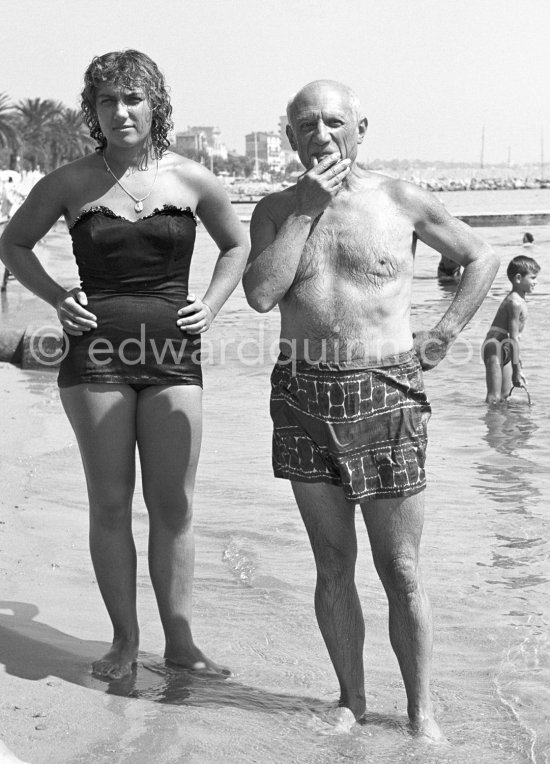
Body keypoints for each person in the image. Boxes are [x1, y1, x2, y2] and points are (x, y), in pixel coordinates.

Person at [243, 79, 499, 739]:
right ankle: (351, 701)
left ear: (361, 128)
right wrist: (307, 206)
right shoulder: (274, 209)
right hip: (301, 393)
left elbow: (480, 256)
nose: (320, 135)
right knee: (332, 562)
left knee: (401, 566)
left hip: (386, 393)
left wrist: (442, 336)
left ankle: (422, 714)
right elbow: (263, 295)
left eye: (333, 121)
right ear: (290, 134)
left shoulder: (399, 200)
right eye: (305, 124)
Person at [0, 50, 248, 679]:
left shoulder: (192, 178)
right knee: (110, 503)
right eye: (107, 100)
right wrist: (58, 297)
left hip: (174, 354)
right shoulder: (70, 181)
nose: (120, 111)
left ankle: (182, 644)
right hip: (97, 356)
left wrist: (213, 307)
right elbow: (12, 242)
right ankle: (124, 642)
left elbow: (237, 244)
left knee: (176, 506)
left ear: (155, 103)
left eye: (132, 98)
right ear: (94, 110)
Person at [482, 255, 540, 404]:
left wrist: (517, 360)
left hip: (506, 347)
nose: (536, 282)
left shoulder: (521, 301)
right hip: (495, 346)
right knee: (494, 397)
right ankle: (492, 425)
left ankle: (504, 424)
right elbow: (513, 338)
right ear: (519, 278)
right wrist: (516, 371)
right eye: (533, 278)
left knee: (505, 396)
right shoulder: (514, 302)